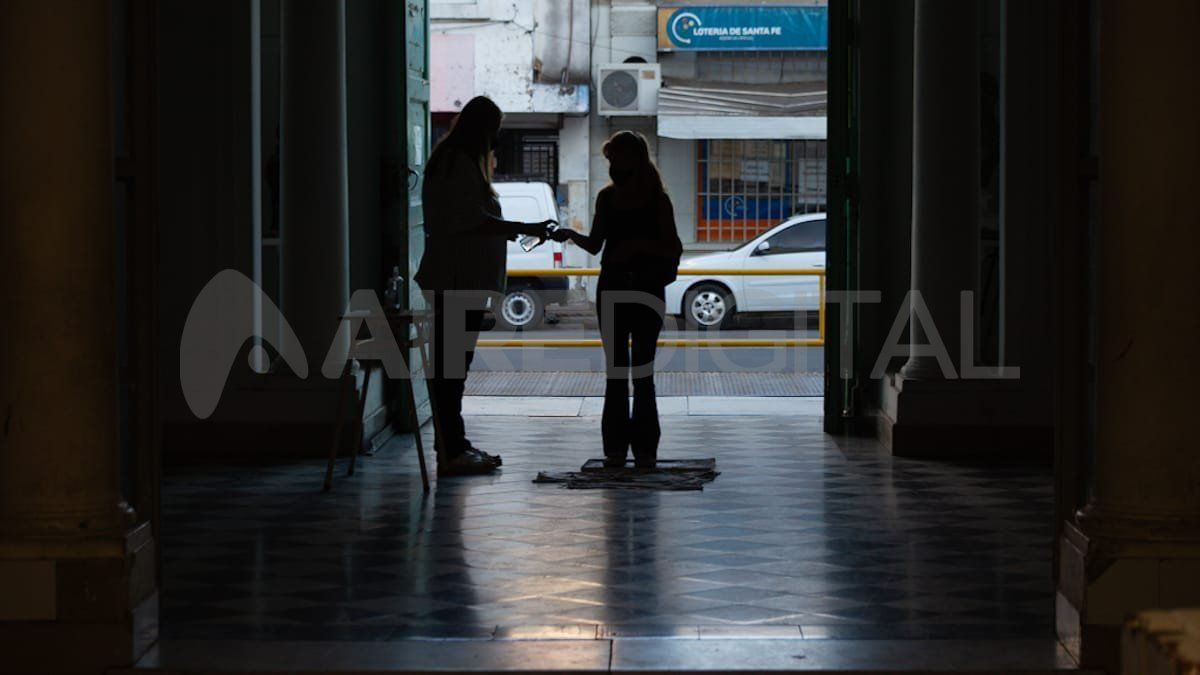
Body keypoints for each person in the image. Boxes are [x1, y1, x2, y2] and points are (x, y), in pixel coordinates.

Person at [415, 96, 555, 476]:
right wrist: (524, 228)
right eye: (493, 132)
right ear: (481, 129)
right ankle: (451, 450)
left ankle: (454, 444)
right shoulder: (458, 165)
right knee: (451, 369)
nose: (495, 142)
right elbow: (473, 221)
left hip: (460, 279)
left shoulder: (453, 162)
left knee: (453, 367)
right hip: (459, 280)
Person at [551, 131, 682, 468]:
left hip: (623, 289)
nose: (611, 166)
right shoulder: (638, 198)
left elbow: (670, 248)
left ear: (631, 159)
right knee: (634, 372)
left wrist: (637, 248)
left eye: (614, 158)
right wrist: (568, 234)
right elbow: (597, 244)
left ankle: (620, 450)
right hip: (642, 290)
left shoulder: (637, 199)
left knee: (627, 372)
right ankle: (640, 451)